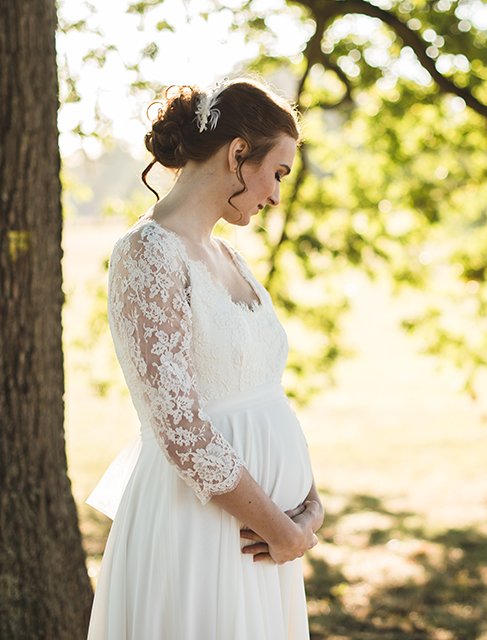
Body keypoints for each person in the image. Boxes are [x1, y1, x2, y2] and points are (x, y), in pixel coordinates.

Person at [84, 76, 324, 640]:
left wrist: (308, 508)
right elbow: (180, 429)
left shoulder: (229, 257)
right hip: (200, 528)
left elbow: (265, 394)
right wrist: (280, 528)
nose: (276, 196)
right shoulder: (147, 254)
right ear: (239, 153)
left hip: (266, 537)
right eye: (278, 173)